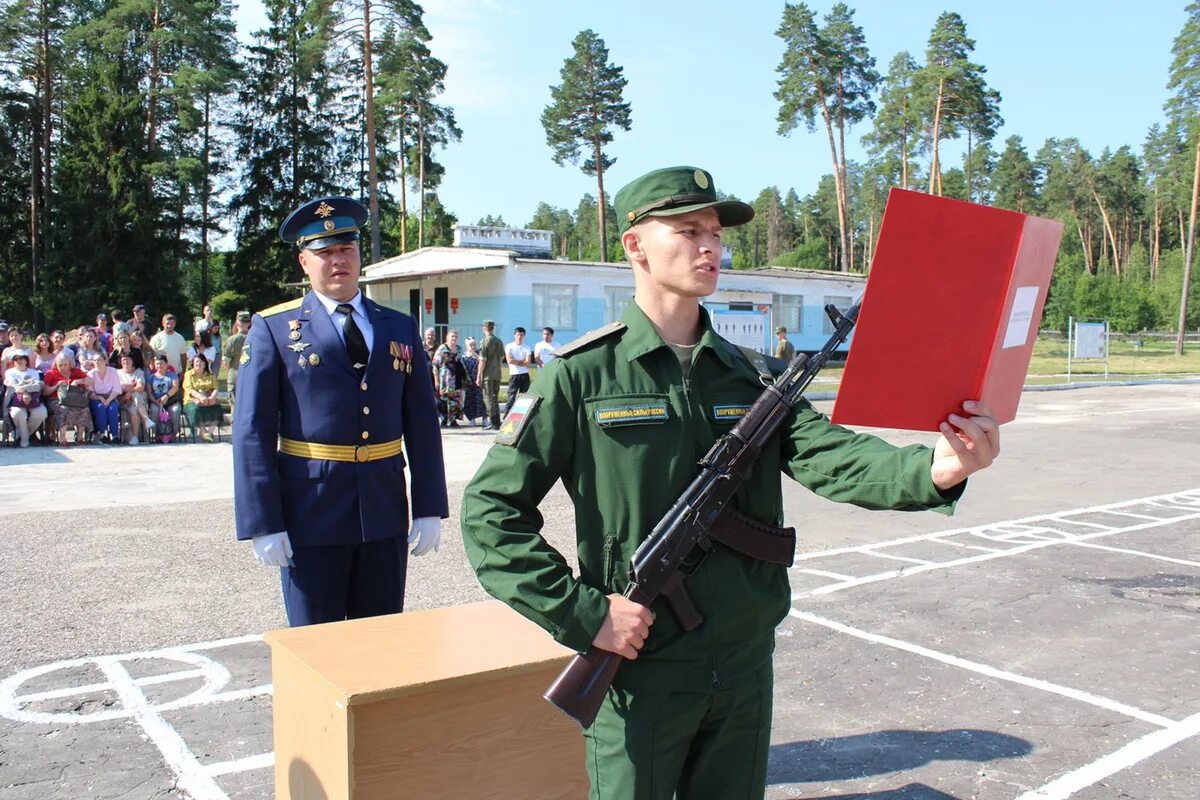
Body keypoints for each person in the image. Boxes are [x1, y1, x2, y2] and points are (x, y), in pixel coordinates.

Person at [460, 165, 1001, 800]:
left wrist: (935, 470)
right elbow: (490, 514)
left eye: (715, 232)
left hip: (743, 664)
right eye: (688, 230)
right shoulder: (580, 377)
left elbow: (832, 456)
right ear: (635, 245)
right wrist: (584, 615)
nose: (710, 246)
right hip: (642, 666)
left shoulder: (751, 379)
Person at [233, 195, 449, 627]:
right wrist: (263, 521)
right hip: (310, 512)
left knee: (381, 640)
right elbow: (252, 431)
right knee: (317, 646)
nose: (338, 260)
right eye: (325, 252)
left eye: (346, 249)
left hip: (384, 508)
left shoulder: (397, 325)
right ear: (304, 262)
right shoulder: (274, 328)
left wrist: (429, 505)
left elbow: (422, 423)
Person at [44, 353, 92, 446]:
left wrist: (79, 381)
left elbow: (91, 381)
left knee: (84, 409)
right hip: (56, 399)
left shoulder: (76, 371)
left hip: (75, 399)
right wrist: (56, 386)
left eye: (65, 364)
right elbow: (45, 392)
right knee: (64, 409)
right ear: (56, 365)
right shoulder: (51, 373)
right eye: (60, 365)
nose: (63, 367)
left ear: (69, 364)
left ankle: (79, 437)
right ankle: (63, 438)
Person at [5, 352, 47, 447]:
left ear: (26, 360)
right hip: (15, 401)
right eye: (16, 359)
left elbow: (37, 386)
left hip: (34, 400)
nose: (18, 361)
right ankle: (24, 441)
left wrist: (23, 388)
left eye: (21, 358)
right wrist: (25, 391)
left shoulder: (33, 372)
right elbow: (14, 385)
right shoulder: (9, 372)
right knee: (18, 413)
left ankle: (22, 435)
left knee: (42, 412)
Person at [182, 353, 221, 441]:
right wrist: (200, 397)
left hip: (208, 400)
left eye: (200, 362)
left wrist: (212, 397)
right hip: (191, 400)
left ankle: (209, 433)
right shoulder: (188, 374)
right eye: (196, 362)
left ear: (205, 363)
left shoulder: (210, 374)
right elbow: (189, 389)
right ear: (193, 364)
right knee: (196, 409)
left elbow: (216, 388)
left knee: (218, 408)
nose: (198, 364)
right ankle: (203, 431)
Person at [87, 353, 123, 444]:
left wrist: (109, 399)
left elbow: (117, 388)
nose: (97, 362)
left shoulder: (112, 371)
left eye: (99, 360)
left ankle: (114, 435)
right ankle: (101, 434)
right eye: (95, 360)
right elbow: (89, 392)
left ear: (105, 361)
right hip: (96, 398)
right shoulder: (91, 373)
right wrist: (99, 398)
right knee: (100, 408)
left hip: (111, 396)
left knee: (112, 408)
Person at [117, 353, 151, 445]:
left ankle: (135, 437)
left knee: (136, 399)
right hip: (123, 399)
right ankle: (146, 419)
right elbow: (119, 388)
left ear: (132, 361)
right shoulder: (117, 373)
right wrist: (131, 388)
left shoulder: (139, 372)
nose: (125, 362)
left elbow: (141, 387)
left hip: (136, 400)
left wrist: (130, 392)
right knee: (137, 395)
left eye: (128, 359)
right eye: (123, 360)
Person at [477, 319, 504, 430]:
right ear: (493, 328)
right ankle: (497, 421)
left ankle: (493, 422)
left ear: (484, 328)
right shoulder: (499, 341)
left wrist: (479, 375)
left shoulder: (485, 341)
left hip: (488, 375)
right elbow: (502, 357)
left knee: (488, 398)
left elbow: (482, 360)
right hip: (497, 373)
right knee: (495, 398)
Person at [435, 330, 467, 428]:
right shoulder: (442, 348)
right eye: (452, 336)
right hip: (445, 378)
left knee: (455, 399)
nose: (454, 338)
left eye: (455, 336)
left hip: (456, 376)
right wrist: (436, 379)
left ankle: (453, 420)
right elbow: (435, 364)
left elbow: (462, 362)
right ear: (447, 337)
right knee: (444, 398)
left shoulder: (459, 349)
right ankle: (444, 420)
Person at [148, 355, 182, 442]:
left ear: (166, 364)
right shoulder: (151, 377)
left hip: (171, 401)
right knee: (154, 410)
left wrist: (166, 396)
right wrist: (155, 401)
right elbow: (149, 392)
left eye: (161, 364)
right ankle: (157, 434)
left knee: (175, 410)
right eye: (157, 364)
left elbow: (175, 387)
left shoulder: (172, 375)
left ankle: (174, 433)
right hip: (156, 402)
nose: (159, 366)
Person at [222, 311, 251, 409]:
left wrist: (229, 370)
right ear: (249, 323)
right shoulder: (254, 338)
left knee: (235, 408)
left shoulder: (232, 340)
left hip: (234, 377)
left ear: (237, 322)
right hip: (250, 377)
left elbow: (226, 362)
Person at [503, 326, 532, 414]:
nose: (519, 337)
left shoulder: (527, 347)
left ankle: (522, 417)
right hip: (514, 375)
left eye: (521, 335)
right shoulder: (509, 346)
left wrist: (517, 362)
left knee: (524, 398)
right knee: (511, 397)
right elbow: (509, 360)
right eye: (518, 335)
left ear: (524, 336)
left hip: (525, 374)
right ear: (514, 335)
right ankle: (506, 416)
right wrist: (522, 361)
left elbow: (528, 363)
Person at [460, 337, 486, 426]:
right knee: (469, 401)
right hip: (468, 382)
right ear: (466, 346)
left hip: (478, 380)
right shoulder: (463, 357)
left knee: (481, 400)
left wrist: (475, 354)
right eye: (471, 345)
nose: (473, 347)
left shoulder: (479, 355)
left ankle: (485, 419)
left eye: (474, 344)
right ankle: (472, 419)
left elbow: (482, 362)